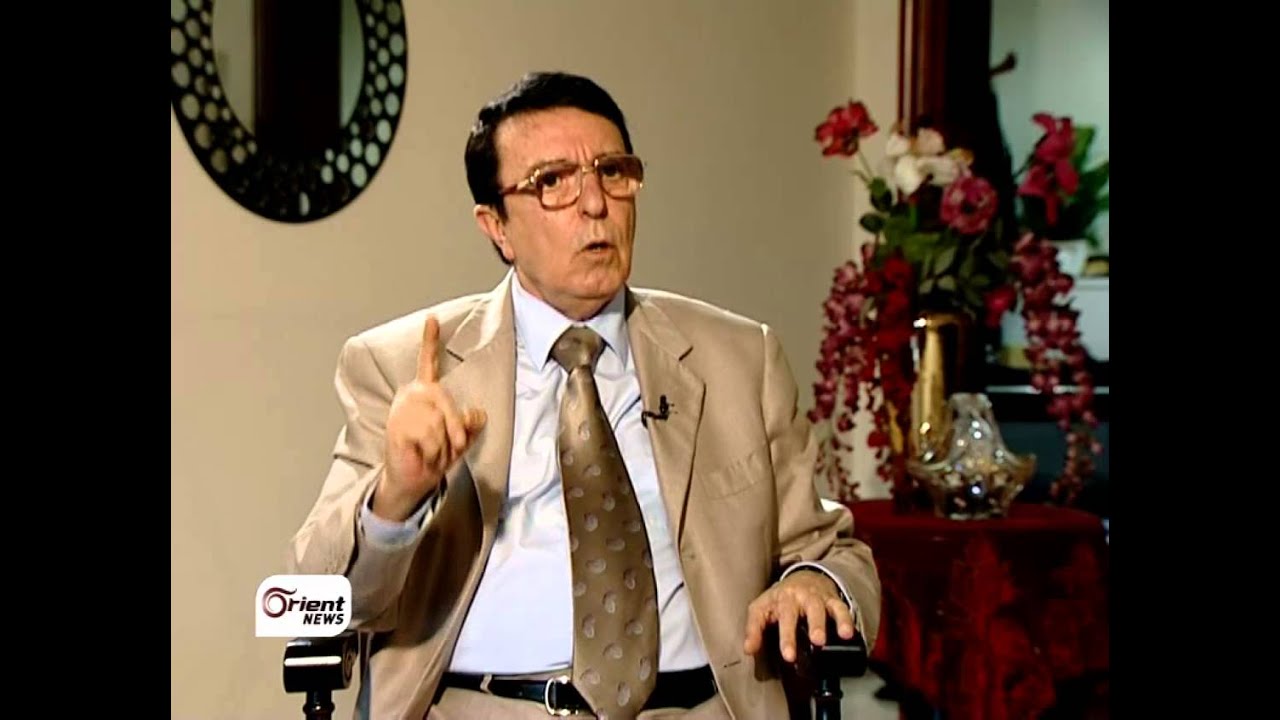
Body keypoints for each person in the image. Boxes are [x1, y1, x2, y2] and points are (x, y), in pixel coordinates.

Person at [287, 71, 881, 720]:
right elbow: (315, 598)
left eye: (613, 172)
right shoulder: (402, 366)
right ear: (496, 226)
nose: (595, 203)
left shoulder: (738, 360)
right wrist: (397, 495)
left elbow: (831, 549)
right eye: (553, 182)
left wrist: (813, 582)